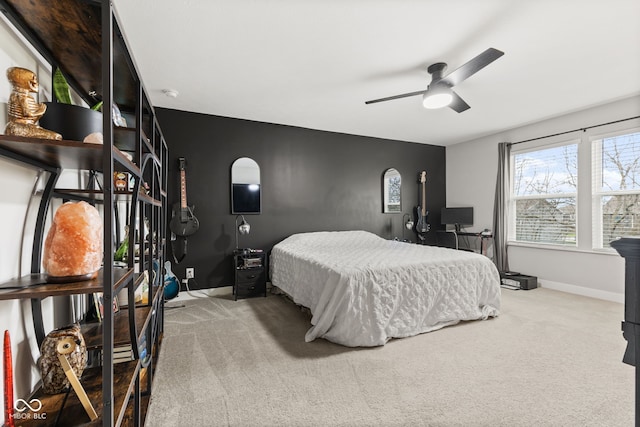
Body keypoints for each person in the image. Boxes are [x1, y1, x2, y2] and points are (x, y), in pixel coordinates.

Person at [5, 66, 61, 139]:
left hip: (26, 126)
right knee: (55, 137)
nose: (36, 83)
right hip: (18, 128)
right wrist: (40, 111)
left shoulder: (23, 96)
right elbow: (28, 114)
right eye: (32, 80)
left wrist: (39, 114)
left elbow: (30, 120)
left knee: (55, 136)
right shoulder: (21, 96)